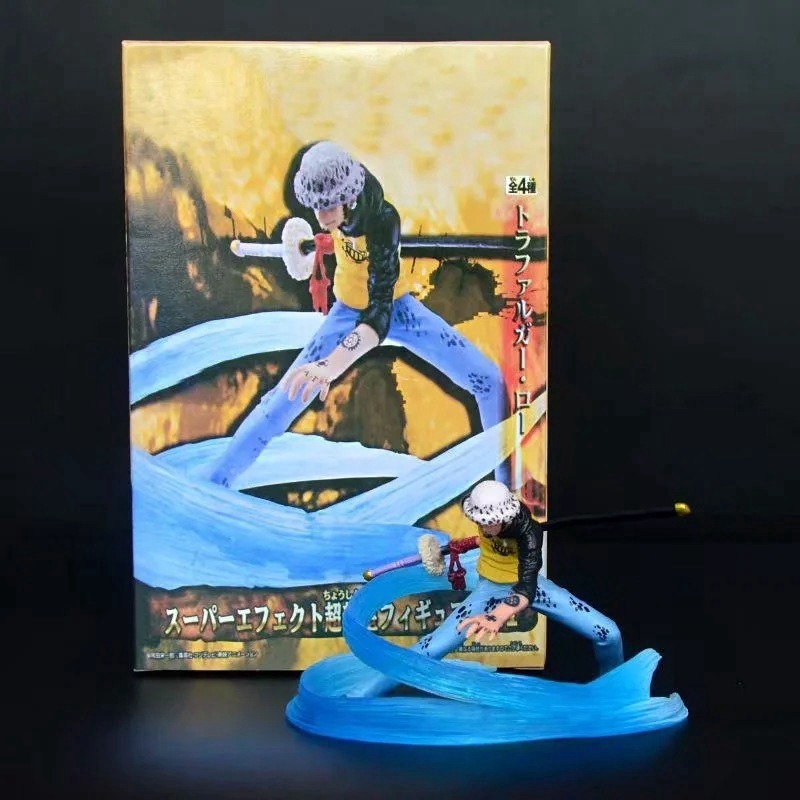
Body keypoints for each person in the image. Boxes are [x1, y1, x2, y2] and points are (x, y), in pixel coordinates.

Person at [204, 141, 512, 488]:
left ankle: (508, 490)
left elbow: (379, 315)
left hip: (396, 308)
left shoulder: (382, 221)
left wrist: (330, 364)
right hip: (346, 310)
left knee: (490, 381)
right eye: (316, 206)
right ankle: (213, 485)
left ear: (349, 197)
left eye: (329, 206)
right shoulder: (333, 202)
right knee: (279, 404)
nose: (322, 217)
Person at [348, 480, 623, 698]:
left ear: (505, 515)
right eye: (479, 521)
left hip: (529, 589)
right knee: (430, 648)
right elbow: (482, 535)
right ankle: (359, 696)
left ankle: (613, 691)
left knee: (608, 633)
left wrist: (496, 616)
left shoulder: (529, 534)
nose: (483, 526)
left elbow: (526, 586)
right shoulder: (486, 513)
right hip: (487, 589)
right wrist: (460, 546)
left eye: (489, 521)